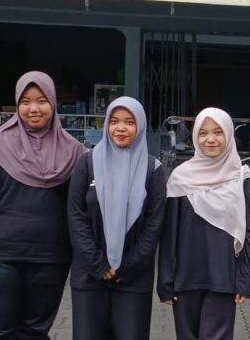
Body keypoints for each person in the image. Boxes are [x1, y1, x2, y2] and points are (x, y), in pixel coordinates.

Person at [0, 71, 87, 339]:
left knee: (35, 331)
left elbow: (79, 208)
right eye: (26, 102)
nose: (34, 109)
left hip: (51, 258)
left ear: (53, 103)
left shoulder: (73, 151)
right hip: (0, 258)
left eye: (42, 101)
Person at [67, 96, 166, 340]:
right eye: (114, 121)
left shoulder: (152, 170)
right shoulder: (86, 163)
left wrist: (126, 267)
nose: (120, 128)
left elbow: (154, 226)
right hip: (89, 275)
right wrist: (98, 264)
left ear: (140, 126)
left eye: (129, 122)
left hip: (133, 278)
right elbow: (75, 217)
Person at [157, 107, 250, 340]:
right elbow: (169, 235)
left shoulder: (243, 178)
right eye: (203, 133)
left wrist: (245, 279)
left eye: (218, 132)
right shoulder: (180, 178)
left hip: (224, 278)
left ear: (229, 135)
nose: (210, 139)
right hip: (185, 279)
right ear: (195, 137)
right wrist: (166, 281)